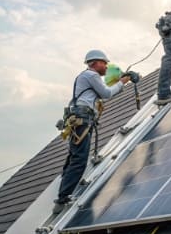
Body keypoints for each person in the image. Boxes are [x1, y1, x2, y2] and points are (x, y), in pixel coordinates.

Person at [53, 49, 130, 214]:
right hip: (82, 119)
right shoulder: (91, 75)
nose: (106, 66)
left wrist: (120, 77)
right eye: (104, 62)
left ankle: (63, 193)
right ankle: (63, 197)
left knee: (75, 156)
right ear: (95, 63)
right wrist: (123, 81)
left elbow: (101, 91)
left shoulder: (86, 78)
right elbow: (107, 93)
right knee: (80, 159)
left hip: (80, 119)